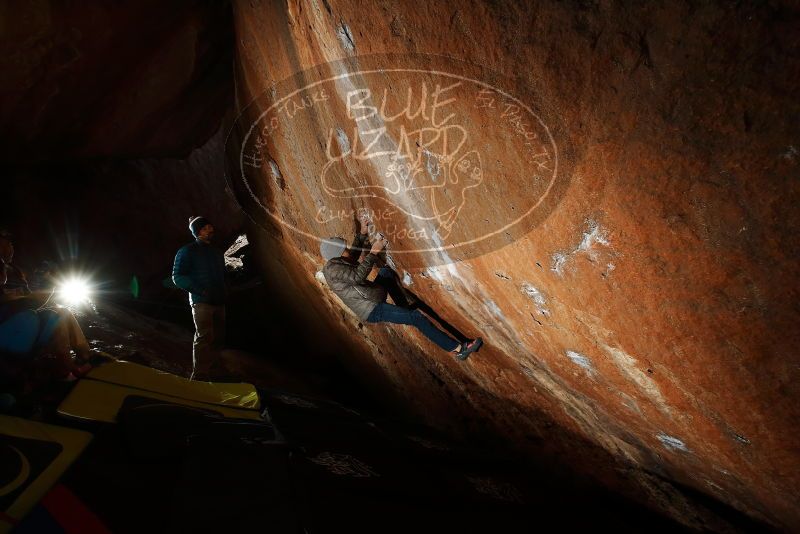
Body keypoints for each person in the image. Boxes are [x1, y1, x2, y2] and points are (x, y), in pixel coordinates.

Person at [321, 218, 483, 360]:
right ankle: (458, 349)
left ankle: (403, 311)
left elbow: (353, 255)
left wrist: (363, 233)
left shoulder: (337, 262)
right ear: (340, 254)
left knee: (385, 273)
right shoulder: (333, 270)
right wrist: (374, 251)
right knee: (417, 317)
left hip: (374, 295)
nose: (348, 248)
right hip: (372, 308)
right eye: (345, 248)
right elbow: (357, 276)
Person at [0, 229, 92, 383]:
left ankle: (83, 360)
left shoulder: (16, 272)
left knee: (62, 313)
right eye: (5, 240)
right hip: (7, 325)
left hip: (22, 320)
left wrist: (46, 282)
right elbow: (17, 299)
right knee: (41, 316)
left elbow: (30, 298)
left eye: (11, 242)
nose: (10, 245)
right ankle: (64, 370)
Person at [172, 216, 227, 380]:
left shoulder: (217, 253)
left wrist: (226, 291)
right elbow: (177, 276)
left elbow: (223, 275)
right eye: (205, 228)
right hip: (201, 302)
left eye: (210, 227)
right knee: (204, 337)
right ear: (197, 232)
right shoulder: (187, 251)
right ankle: (200, 375)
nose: (209, 230)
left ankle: (215, 371)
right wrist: (199, 291)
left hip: (219, 301)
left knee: (218, 337)